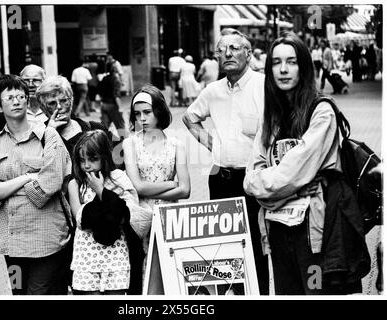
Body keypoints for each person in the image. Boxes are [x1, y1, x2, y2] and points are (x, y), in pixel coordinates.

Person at [243, 31, 364, 295]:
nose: (283, 70)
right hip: (276, 227)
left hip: (314, 232)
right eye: (276, 62)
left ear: (305, 67)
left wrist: (278, 185)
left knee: (315, 292)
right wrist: (294, 188)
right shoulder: (271, 117)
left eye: (292, 61)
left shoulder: (322, 112)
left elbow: (288, 175)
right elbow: (250, 180)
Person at [182, 28, 269, 295]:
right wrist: (211, 143)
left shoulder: (264, 85)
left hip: (254, 179)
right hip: (220, 178)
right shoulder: (213, 91)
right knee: (225, 248)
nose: (227, 54)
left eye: (234, 48)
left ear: (249, 54)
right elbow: (189, 117)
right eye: (221, 50)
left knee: (256, 246)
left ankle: (259, 295)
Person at [0, 74, 72, 295]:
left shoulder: (49, 137)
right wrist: (28, 178)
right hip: (10, 245)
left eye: (21, 96)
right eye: (9, 97)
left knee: (36, 294)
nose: (17, 101)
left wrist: (3, 189)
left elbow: (49, 185)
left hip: (45, 241)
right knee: (18, 292)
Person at [67, 130, 144, 294]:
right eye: (82, 160)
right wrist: (109, 207)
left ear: (104, 157)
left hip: (116, 255)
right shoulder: (75, 184)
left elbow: (126, 215)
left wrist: (101, 190)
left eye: (93, 159)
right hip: (87, 256)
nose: (86, 165)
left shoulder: (119, 178)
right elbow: (81, 221)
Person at [123, 84, 191, 248]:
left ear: (159, 111)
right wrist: (171, 184)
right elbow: (138, 187)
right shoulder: (130, 143)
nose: (142, 119)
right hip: (141, 216)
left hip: (170, 216)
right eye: (137, 114)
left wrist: (152, 191)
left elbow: (186, 191)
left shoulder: (176, 145)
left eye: (147, 112)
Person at [97, 63, 128, 140]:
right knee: (121, 127)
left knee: (104, 128)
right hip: (113, 106)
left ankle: (101, 144)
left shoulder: (104, 78)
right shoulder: (116, 79)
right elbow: (116, 95)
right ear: (114, 69)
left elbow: (100, 91)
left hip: (103, 104)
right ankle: (125, 144)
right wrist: (120, 108)